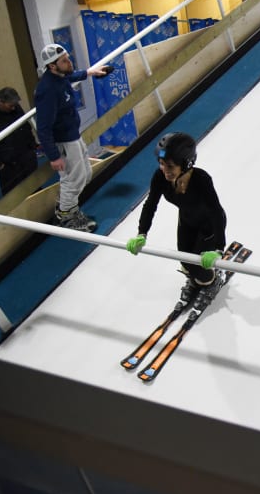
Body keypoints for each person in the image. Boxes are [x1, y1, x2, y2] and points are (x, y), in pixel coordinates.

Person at [125, 133, 227, 313]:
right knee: (186, 260)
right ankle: (197, 279)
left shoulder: (202, 180)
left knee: (198, 265)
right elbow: (150, 205)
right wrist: (142, 233)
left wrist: (218, 248)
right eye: (162, 164)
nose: (164, 170)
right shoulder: (160, 177)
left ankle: (211, 281)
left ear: (186, 164)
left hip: (208, 225)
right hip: (186, 221)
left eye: (170, 166)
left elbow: (217, 213)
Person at [33, 44, 112, 231]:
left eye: (68, 57)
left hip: (73, 136)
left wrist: (90, 73)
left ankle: (65, 207)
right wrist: (53, 156)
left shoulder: (59, 77)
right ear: (52, 66)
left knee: (85, 175)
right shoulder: (47, 90)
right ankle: (67, 218)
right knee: (73, 179)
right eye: (64, 60)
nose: (69, 62)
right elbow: (43, 128)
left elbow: (69, 76)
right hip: (64, 142)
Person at [0, 87, 39, 196]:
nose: (13, 108)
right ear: (0, 102)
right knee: (13, 193)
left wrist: (33, 145)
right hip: (8, 164)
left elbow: (26, 127)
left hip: (26, 155)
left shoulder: (16, 108)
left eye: (15, 104)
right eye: (10, 105)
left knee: (34, 185)